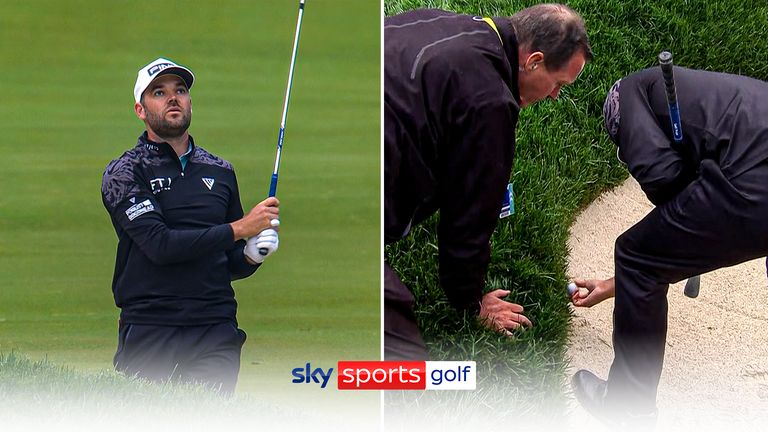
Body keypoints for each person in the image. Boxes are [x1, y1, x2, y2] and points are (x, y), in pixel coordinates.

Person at [384, 4, 592, 360]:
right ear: (534, 61)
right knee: (404, 361)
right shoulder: (489, 104)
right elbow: (468, 221)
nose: (556, 95)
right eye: (558, 83)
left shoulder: (438, 19)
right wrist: (471, 300)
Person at [570, 66, 768, 426]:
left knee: (635, 257)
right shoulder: (686, 93)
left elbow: (664, 180)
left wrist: (639, 272)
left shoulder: (627, 101)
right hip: (755, 160)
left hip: (756, 184)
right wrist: (618, 287)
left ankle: (627, 409)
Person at [101, 58, 280, 395]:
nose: (173, 98)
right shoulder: (124, 172)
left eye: (180, 90)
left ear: (190, 103)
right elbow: (160, 246)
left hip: (214, 326)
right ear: (140, 109)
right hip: (152, 326)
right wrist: (240, 230)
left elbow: (225, 262)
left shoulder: (221, 171)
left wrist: (251, 257)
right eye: (159, 92)